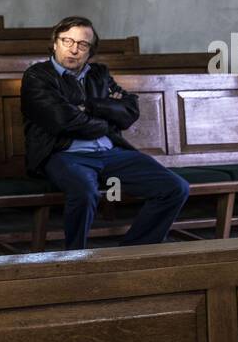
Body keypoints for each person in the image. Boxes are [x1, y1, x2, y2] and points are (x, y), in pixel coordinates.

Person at [21, 16, 189, 249]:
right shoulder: (37, 76)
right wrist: (106, 119)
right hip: (64, 155)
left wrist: (89, 106)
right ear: (55, 43)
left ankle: (132, 252)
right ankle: (75, 258)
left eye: (82, 45)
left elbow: (129, 110)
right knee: (85, 192)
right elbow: (61, 121)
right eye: (67, 41)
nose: (74, 49)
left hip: (111, 153)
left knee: (175, 187)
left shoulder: (99, 73)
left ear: (90, 51)